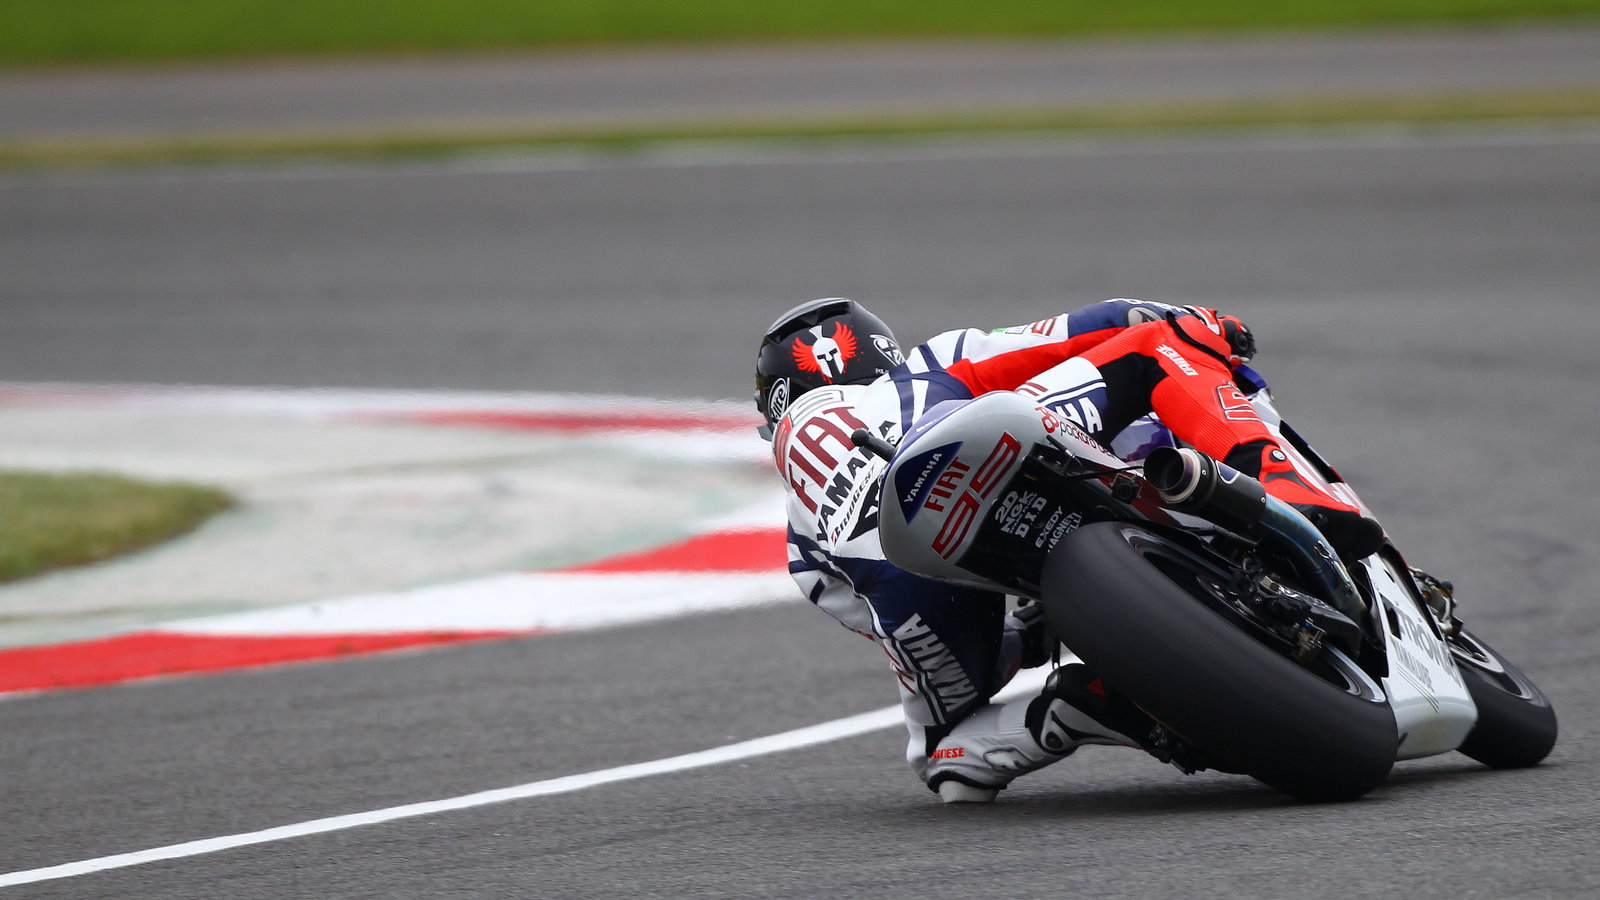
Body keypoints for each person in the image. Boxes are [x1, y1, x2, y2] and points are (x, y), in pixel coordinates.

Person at [755, 296, 1384, 803]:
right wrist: (1203, 327)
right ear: (879, 348)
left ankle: (1082, 707)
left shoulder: (798, 543)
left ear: (773, 410)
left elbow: (886, 626)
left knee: (949, 760)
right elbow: (1094, 326)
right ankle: (1295, 496)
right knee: (1155, 348)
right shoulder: (925, 363)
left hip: (906, 561)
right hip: (982, 447)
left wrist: (1023, 640)